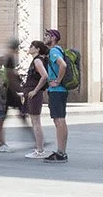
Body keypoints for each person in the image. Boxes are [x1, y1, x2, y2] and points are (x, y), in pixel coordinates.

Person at [42, 27, 71, 162]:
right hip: (61, 91)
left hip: (57, 91)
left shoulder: (54, 51)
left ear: (53, 38)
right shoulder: (59, 50)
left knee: (59, 121)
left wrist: (57, 81)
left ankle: (61, 152)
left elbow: (63, 65)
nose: (45, 38)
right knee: (60, 120)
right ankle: (62, 151)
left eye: (47, 35)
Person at [20, 41, 50, 159]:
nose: (29, 48)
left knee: (36, 122)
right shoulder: (36, 60)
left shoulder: (37, 60)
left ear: (37, 49)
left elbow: (45, 76)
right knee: (35, 122)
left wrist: (35, 90)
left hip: (34, 94)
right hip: (32, 93)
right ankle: (39, 149)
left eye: (31, 46)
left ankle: (40, 150)